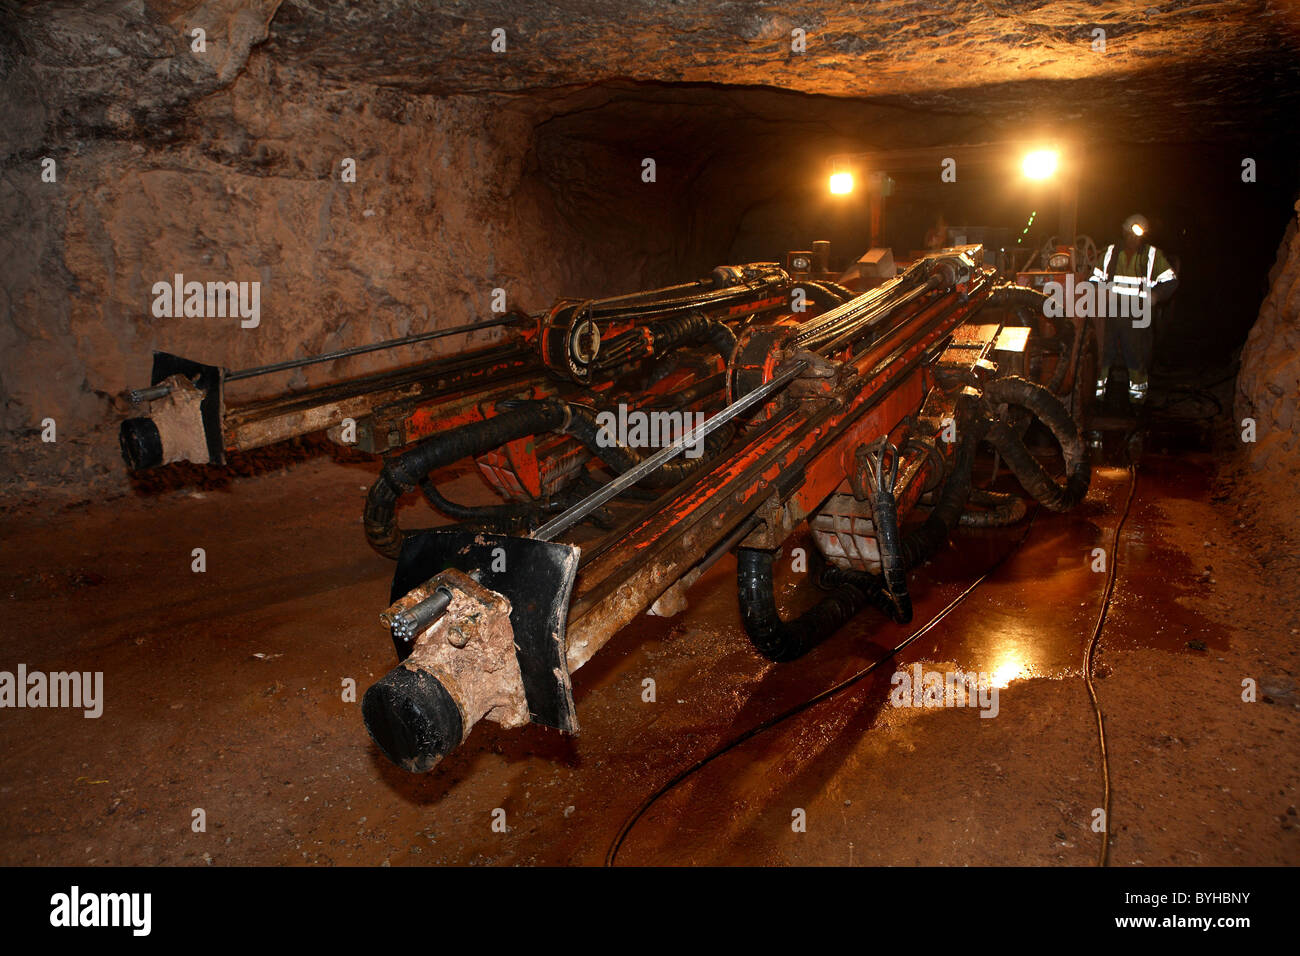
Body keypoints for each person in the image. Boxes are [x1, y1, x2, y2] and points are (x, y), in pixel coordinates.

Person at [1090, 213, 1178, 403]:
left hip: (1137, 315)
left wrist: (1156, 296)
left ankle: (1137, 403)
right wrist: (1098, 290)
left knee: (1136, 357)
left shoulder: (1152, 255)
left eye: (1137, 235)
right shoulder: (1110, 253)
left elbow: (1170, 281)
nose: (1133, 239)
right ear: (1123, 232)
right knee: (1103, 355)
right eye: (1130, 234)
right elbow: (1093, 279)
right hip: (1110, 313)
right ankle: (1097, 399)